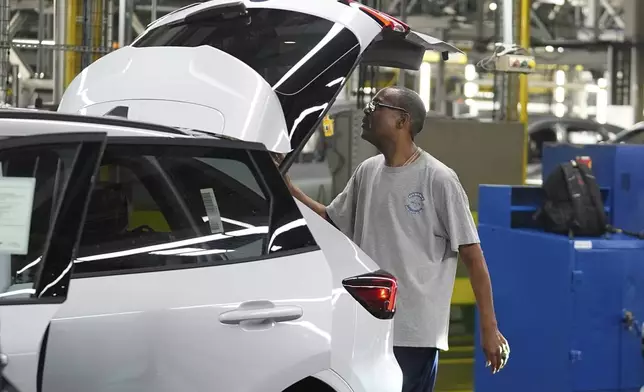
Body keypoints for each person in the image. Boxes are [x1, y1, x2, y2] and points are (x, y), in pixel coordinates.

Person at [283, 86, 509, 392]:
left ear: (402, 121)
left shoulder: (438, 179)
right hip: (367, 324)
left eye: (377, 106)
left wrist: (489, 329)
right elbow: (330, 219)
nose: (367, 111)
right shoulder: (367, 171)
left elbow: (473, 257)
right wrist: (283, 184)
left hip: (413, 333)